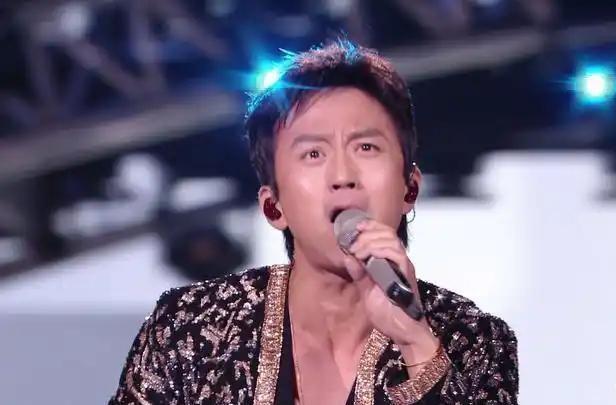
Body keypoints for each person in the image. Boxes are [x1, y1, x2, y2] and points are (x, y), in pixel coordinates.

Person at [109, 39, 519, 404]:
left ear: (409, 189)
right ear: (274, 208)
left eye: (366, 147)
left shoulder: (474, 341)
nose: (343, 175)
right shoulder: (190, 328)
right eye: (313, 154)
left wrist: (416, 344)